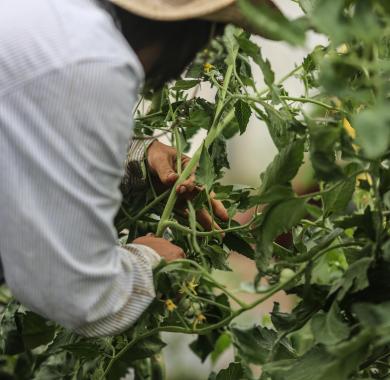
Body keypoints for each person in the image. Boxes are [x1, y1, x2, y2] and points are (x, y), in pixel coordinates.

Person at [0, 0, 271, 337]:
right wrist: (150, 259)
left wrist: (138, 158)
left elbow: (27, 141)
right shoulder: (94, 57)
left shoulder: (49, 22)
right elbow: (78, 294)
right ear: (185, 33)